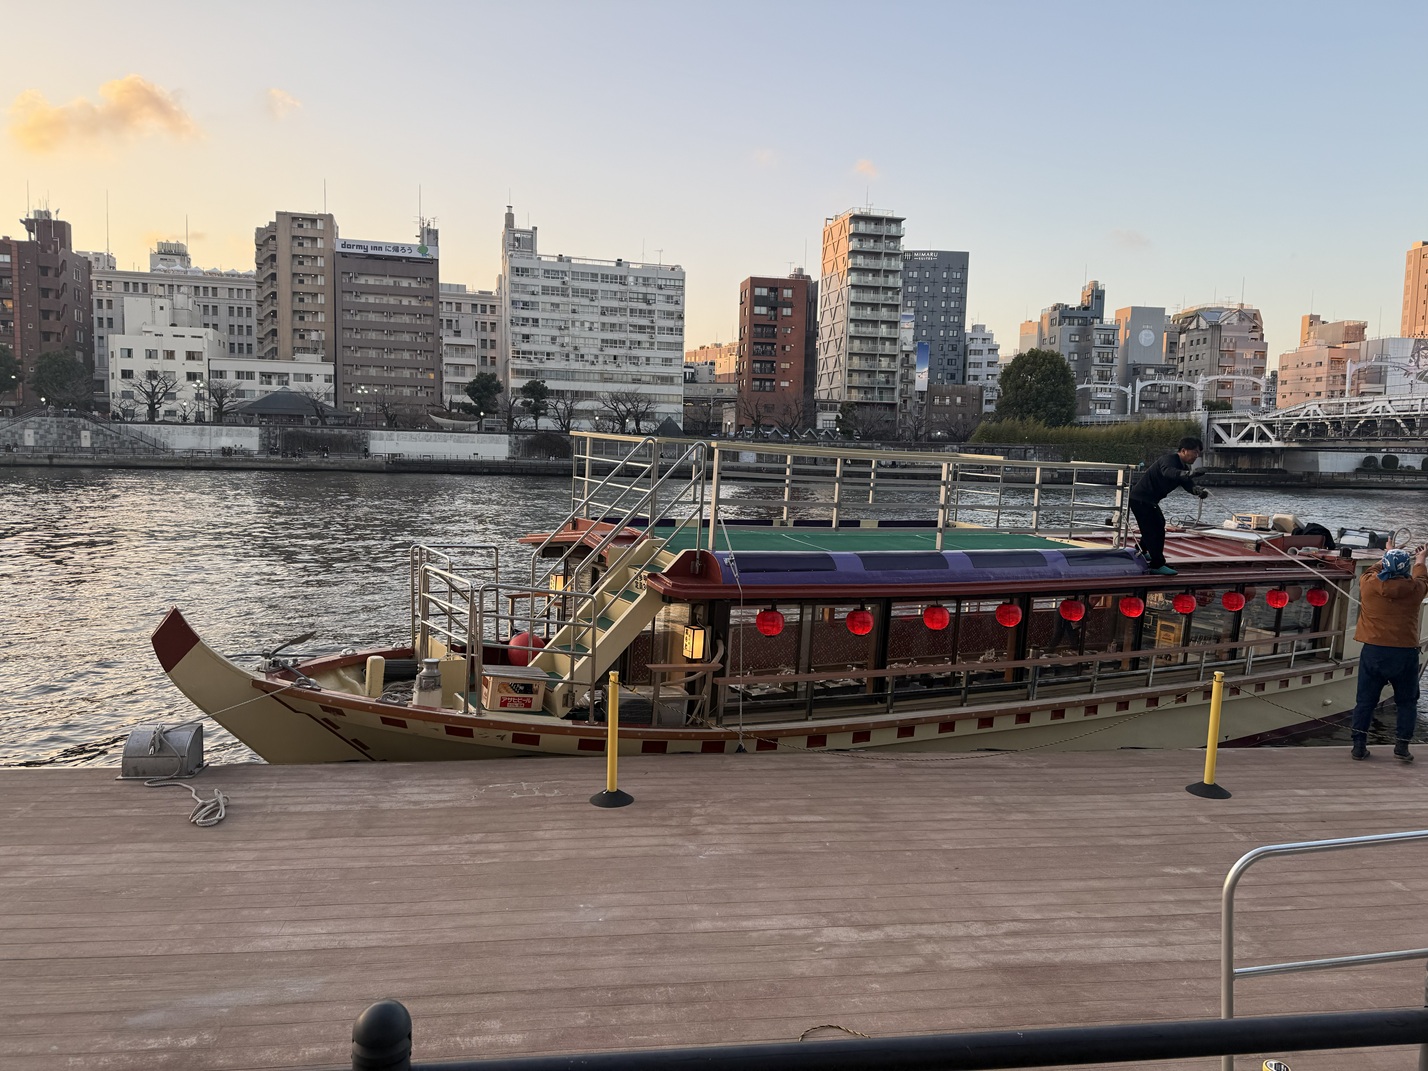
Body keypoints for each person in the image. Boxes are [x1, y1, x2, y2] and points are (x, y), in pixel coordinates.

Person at [1349, 545, 1428, 762]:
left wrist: (1387, 554)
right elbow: (1422, 576)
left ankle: (1358, 746)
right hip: (1405, 653)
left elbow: (1369, 571)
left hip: (1374, 651)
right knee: (1407, 702)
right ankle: (1402, 746)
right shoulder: (1416, 589)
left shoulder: (1368, 584)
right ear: (1405, 569)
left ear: (1385, 565)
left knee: (1365, 701)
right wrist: (1421, 558)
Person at [1129, 436, 1207, 577]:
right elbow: (1168, 472)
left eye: (1198, 453)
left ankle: (1142, 551)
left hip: (1148, 501)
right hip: (1141, 499)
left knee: (1158, 525)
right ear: (1183, 451)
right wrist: (1189, 473)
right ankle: (1157, 564)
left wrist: (1197, 491)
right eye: (1195, 452)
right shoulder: (1169, 460)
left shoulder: (1183, 467)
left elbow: (1187, 484)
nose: (1197, 456)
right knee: (1155, 530)